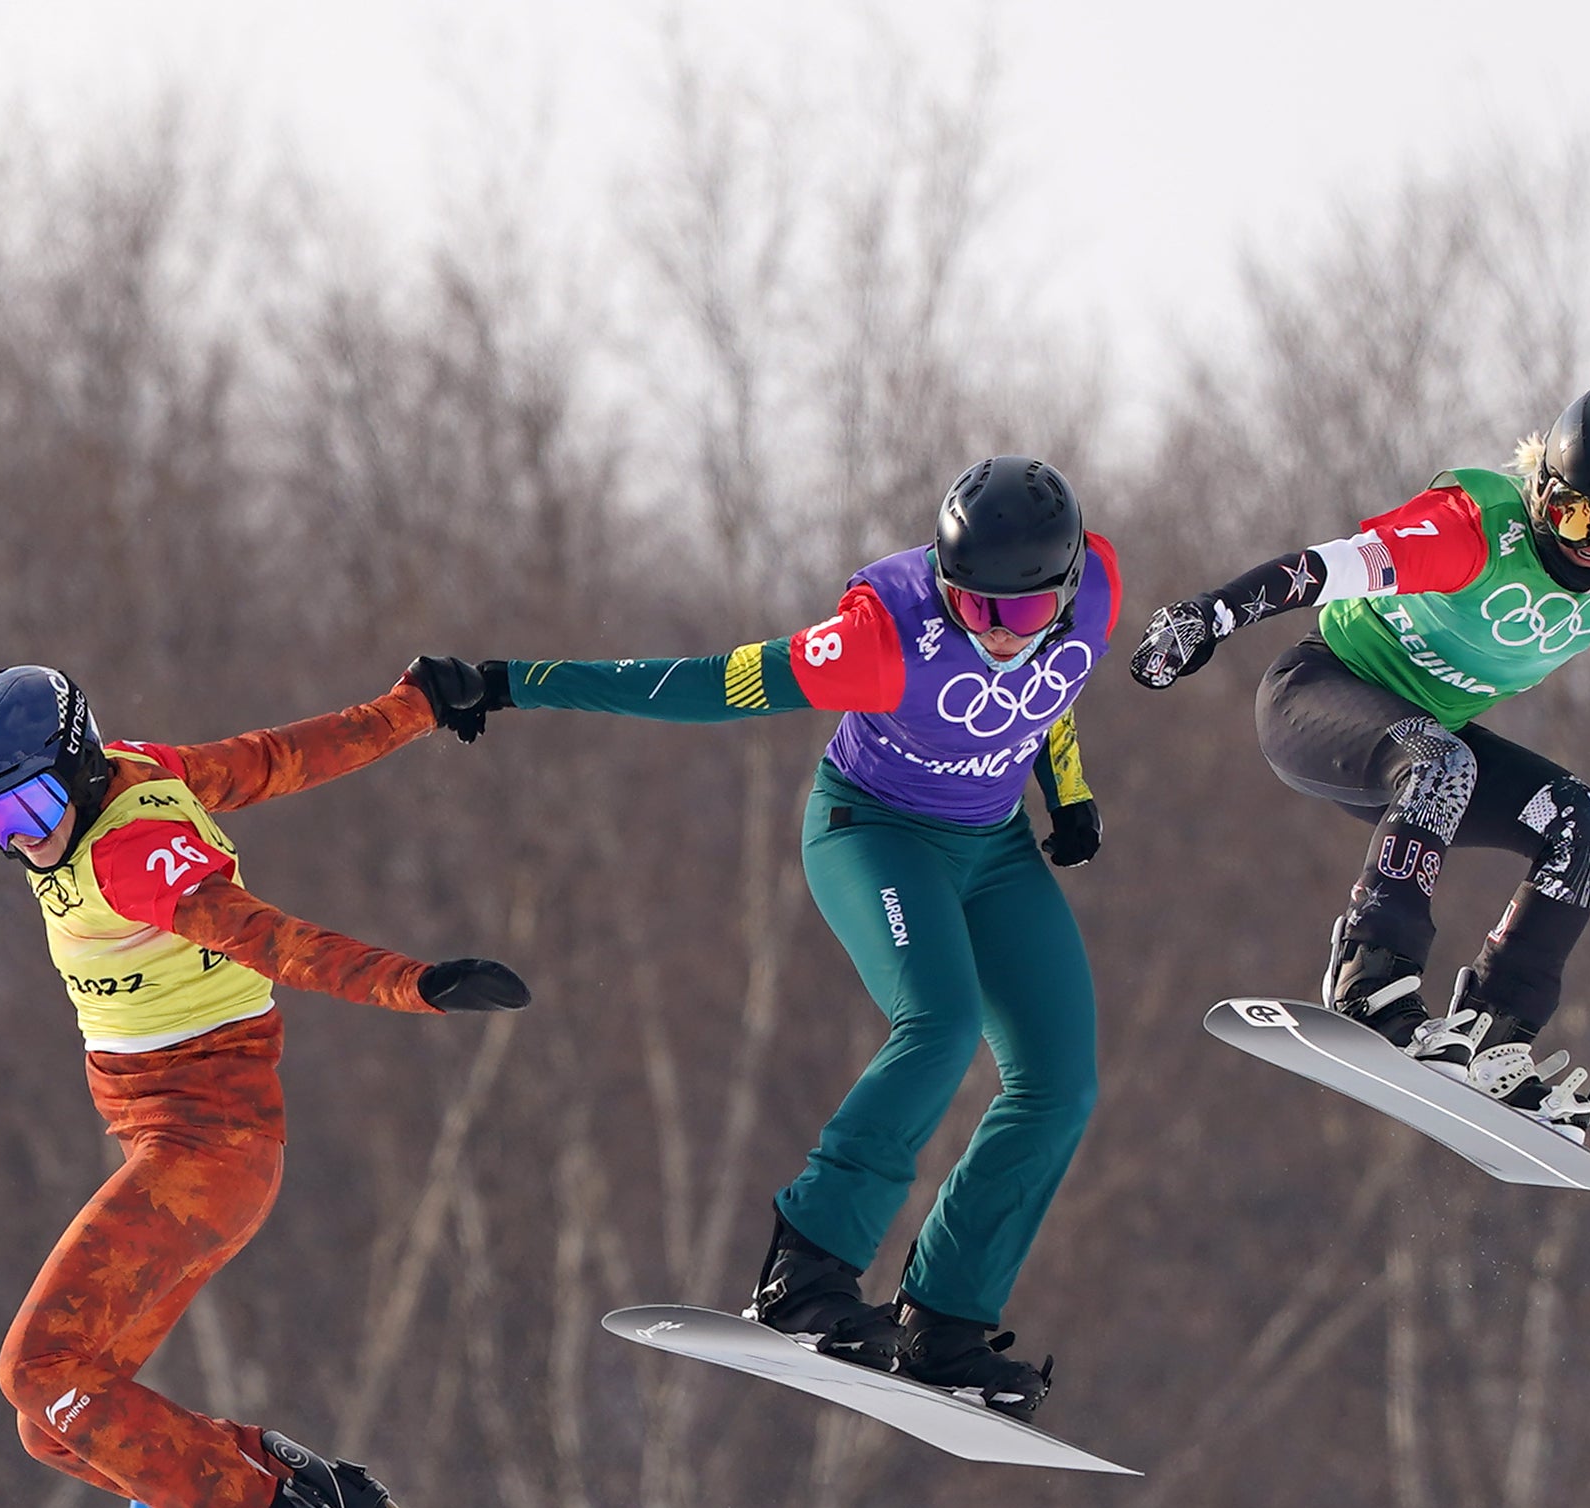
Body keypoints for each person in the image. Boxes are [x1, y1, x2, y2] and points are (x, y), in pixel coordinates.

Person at [423, 455, 1115, 1416]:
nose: (997, 635)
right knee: (942, 1025)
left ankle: (945, 1321)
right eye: (972, 607)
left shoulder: (1096, 592)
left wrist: (1067, 790)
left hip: (993, 847)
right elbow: (703, 685)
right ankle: (806, 1273)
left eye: (1021, 614)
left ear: (1069, 581)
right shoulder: (882, 636)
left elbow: (1056, 683)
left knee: (1061, 1084)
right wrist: (508, 682)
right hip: (875, 832)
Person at [0, 659, 526, 1508]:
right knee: (54, 1419)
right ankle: (315, 1492)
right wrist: (417, 704)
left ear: (77, 768)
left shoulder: (131, 853)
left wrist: (414, 985)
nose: (27, 839)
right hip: (186, 1145)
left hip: (203, 1149)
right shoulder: (139, 773)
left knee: (38, 1370)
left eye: (35, 804)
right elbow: (278, 758)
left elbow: (266, 938)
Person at [1127, 384, 1590, 1138]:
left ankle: (1497, 1031)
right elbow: (1319, 569)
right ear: (1542, 493)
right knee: (1443, 762)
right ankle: (1371, 973)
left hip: (1427, 748)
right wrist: (1215, 612)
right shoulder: (1472, 530)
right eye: (1576, 516)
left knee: (1589, 830)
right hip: (1319, 697)